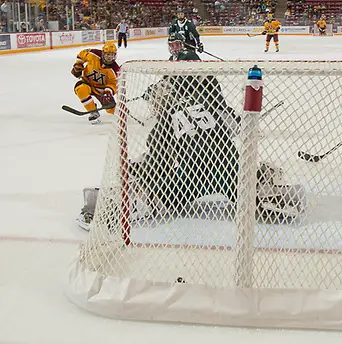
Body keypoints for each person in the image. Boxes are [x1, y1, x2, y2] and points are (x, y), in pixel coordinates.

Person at [76, 36, 305, 230]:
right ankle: (261, 184)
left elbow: (158, 153)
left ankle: (139, 198)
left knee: (156, 180)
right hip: (228, 173)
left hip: (190, 179)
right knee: (243, 182)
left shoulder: (168, 116)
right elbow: (238, 128)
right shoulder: (215, 100)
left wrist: (144, 171)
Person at [71, 42, 119, 124]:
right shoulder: (93, 54)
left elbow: (113, 84)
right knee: (81, 89)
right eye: (107, 54)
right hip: (87, 82)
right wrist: (78, 64)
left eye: (112, 55)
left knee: (112, 110)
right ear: (103, 53)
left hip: (101, 90)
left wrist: (108, 92)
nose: (109, 57)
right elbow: (82, 54)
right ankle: (93, 111)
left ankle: (121, 111)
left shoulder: (115, 69)